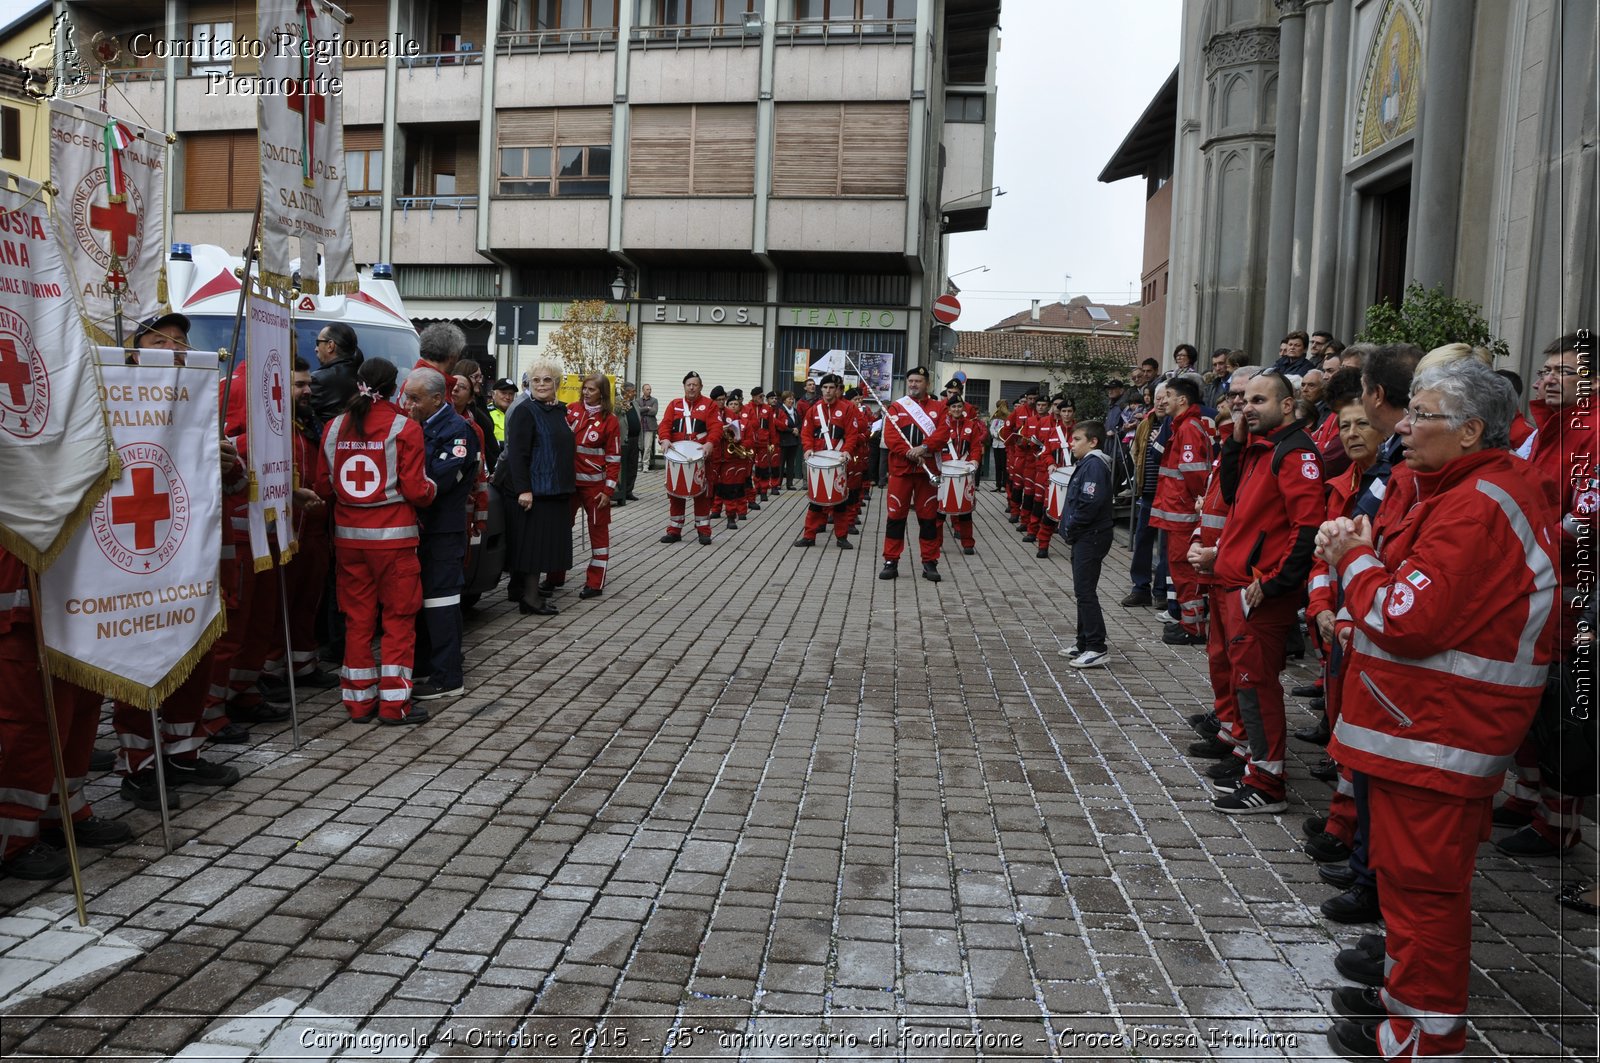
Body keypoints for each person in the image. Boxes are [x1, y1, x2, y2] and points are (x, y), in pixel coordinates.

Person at [1317, 359, 1559, 1061]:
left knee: (1423, 898)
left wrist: (1354, 559)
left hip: (1438, 733)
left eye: (1424, 415)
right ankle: (1408, 1012)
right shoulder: (1462, 487)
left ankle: (1426, 1039)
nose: (1407, 426)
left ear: (1471, 431)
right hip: (1423, 727)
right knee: (1410, 893)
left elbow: (1406, 615)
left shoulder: (1478, 502)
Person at [1498, 334, 1597, 857]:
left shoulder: (1595, 432)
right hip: (1539, 579)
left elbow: (1588, 517)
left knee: (1558, 702)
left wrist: (1529, 539)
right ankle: (1528, 795)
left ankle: (1559, 823)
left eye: (1564, 370)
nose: (1549, 378)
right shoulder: (1549, 429)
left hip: (1573, 588)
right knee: (1532, 695)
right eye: (1546, 369)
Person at [1209, 369, 1323, 814]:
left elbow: (1307, 526)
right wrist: (1236, 440)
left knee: (1257, 686)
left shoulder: (1294, 453)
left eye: (1258, 400)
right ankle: (1255, 765)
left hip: (1259, 592)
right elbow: (1234, 492)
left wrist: (1276, 583)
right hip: (1241, 585)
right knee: (1246, 683)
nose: (1247, 407)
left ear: (1288, 405)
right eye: (1244, 400)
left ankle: (1267, 782)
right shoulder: (1263, 447)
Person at [315, 359, 436, 724]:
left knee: (357, 620)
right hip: (394, 542)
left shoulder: (334, 427)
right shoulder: (404, 426)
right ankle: (395, 705)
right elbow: (417, 490)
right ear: (394, 386)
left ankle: (358, 702)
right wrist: (433, 488)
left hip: (350, 542)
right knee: (399, 620)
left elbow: (324, 488)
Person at [0, 546, 132, 880]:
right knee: (34, 728)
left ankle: (63, 812)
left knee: (80, 711)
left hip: (78, 602)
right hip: (26, 605)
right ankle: (11, 839)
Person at [404, 368, 478, 704]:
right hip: (419, 530)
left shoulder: (457, 431)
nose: (409, 404)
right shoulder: (418, 424)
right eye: (407, 397)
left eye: (415, 398)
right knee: (421, 603)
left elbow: (438, 479)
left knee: (442, 603)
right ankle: (424, 668)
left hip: (443, 532)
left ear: (437, 398)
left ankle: (448, 677)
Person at [503, 360, 576, 613]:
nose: (542, 384)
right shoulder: (525, 411)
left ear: (557, 383)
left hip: (556, 490)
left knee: (545, 547)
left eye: (547, 380)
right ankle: (530, 599)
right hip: (536, 492)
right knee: (533, 549)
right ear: (529, 384)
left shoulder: (559, 411)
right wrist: (524, 489)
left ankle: (531, 596)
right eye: (536, 380)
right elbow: (517, 455)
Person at [1151, 374, 1213, 645]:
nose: (1163, 400)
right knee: (1179, 569)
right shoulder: (1182, 425)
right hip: (1177, 511)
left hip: (1183, 513)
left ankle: (1194, 628)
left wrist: (1201, 503)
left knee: (1185, 570)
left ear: (1183, 400)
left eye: (1169, 396)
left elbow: (1194, 473)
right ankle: (1189, 623)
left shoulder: (1188, 427)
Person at [1054, 421, 1116, 668]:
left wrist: (1071, 526)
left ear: (1093, 442)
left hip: (1092, 535)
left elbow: (1090, 502)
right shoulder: (1087, 464)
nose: (1072, 443)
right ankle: (1083, 642)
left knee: (1085, 591)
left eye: (1077, 439)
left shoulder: (1093, 465)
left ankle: (1096, 646)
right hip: (1087, 535)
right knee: (1082, 591)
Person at [880, 365, 949, 582]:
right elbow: (891, 437)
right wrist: (908, 452)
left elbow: (943, 433)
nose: (913, 384)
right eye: (910, 381)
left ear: (927, 383)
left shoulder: (940, 407)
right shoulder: (896, 408)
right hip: (901, 470)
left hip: (926, 472)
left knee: (928, 518)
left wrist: (924, 448)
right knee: (895, 517)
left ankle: (929, 561)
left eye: (918, 381)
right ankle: (891, 560)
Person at [559, 372, 622, 598]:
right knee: (560, 529)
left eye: (592, 389)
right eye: (585, 388)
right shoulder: (571, 410)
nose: (586, 392)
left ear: (602, 393)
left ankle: (595, 582)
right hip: (566, 484)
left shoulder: (610, 421)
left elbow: (614, 459)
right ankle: (555, 577)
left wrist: (608, 490)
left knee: (598, 533)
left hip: (595, 488)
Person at [794, 374, 862, 548]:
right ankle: (809, 536)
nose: (828, 391)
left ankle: (841, 537)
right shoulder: (814, 409)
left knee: (840, 501)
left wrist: (847, 451)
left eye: (831, 388)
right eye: (824, 388)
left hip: (838, 459)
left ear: (837, 389)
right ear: (820, 389)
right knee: (815, 501)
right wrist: (808, 448)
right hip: (819, 459)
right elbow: (806, 432)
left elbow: (852, 434)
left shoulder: (847, 408)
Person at [657, 373, 723, 545]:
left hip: (701, 455)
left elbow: (716, 427)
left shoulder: (709, 405)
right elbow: (664, 424)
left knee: (702, 494)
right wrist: (664, 438)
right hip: (678, 455)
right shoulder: (675, 404)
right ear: (684, 386)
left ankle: (703, 531)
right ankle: (674, 530)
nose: (692, 387)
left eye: (695, 384)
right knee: (675, 493)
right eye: (689, 384)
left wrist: (710, 443)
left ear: (701, 387)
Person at [938, 394, 987, 555]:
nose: (957, 409)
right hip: (945, 472)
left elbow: (975, 446)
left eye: (959, 406)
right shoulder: (942, 425)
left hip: (964, 471)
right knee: (939, 513)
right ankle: (936, 544)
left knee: (966, 512)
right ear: (949, 409)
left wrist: (974, 461)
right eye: (954, 407)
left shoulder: (971, 426)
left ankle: (968, 543)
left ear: (963, 408)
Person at [309, 321, 363, 424]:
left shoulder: (318, 380)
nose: (316, 349)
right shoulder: (365, 377)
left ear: (330, 345)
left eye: (318, 343)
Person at [613, 381, 642, 505]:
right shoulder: (616, 402)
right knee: (622, 467)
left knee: (632, 466)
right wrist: (622, 405)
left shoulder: (635, 403)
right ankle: (621, 490)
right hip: (623, 439)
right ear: (625, 391)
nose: (635, 393)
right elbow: (615, 414)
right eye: (632, 391)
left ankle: (629, 490)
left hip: (635, 439)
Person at [776, 391, 802, 489]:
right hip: (783, 440)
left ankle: (789, 484)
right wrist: (792, 430)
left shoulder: (795, 411)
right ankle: (778, 483)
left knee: (791, 463)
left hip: (794, 441)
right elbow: (779, 425)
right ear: (784, 400)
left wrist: (797, 429)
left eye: (792, 399)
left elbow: (800, 422)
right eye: (789, 399)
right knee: (781, 463)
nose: (791, 401)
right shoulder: (780, 410)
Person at [988, 399, 1011, 493]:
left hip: (1003, 444)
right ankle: (997, 484)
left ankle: (1003, 485)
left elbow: (1008, 429)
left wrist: (1002, 435)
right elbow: (992, 428)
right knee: (997, 465)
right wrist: (996, 434)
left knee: (1004, 466)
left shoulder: (1008, 418)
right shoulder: (996, 418)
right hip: (996, 444)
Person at [637, 383, 660, 467]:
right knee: (640, 446)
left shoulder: (654, 400)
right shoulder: (638, 401)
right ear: (643, 390)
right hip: (640, 425)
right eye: (647, 389)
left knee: (647, 447)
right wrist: (647, 408)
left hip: (649, 427)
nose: (649, 391)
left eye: (650, 389)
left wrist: (642, 410)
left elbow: (654, 412)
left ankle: (645, 465)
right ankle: (639, 464)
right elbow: (637, 411)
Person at [490, 378, 516, 445]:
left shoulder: (518, 413)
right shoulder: (486, 413)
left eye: (511, 394)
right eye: (503, 393)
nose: (507, 397)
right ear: (493, 394)